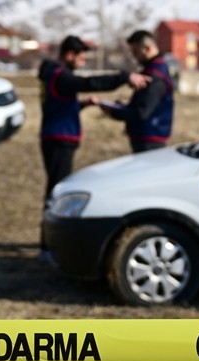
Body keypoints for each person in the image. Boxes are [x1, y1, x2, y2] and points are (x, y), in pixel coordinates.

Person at [37, 35, 148, 257]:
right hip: (59, 139)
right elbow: (89, 83)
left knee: (56, 187)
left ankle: (49, 242)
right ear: (69, 55)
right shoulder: (61, 76)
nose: (82, 63)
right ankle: (48, 245)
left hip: (56, 136)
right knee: (56, 190)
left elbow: (58, 106)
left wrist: (82, 105)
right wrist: (123, 77)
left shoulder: (54, 76)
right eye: (80, 58)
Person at [102, 29, 179, 153]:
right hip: (148, 136)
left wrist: (114, 111)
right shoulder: (155, 69)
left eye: (135, 52)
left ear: (147, 49)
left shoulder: (154, 75)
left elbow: (142, 112)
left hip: (149, 138)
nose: (134, 56)